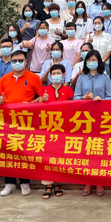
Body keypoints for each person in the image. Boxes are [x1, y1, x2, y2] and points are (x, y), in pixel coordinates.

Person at [0, 50, 43, 197]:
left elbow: (42, 97)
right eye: (14, 60)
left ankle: (24, 182)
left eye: (20, 60)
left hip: (25, 121)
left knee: (24, 152)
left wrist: (31, 104)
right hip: (7, 121)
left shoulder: (34, 77)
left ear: (26, 62)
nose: (17, 63)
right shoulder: (4, 79)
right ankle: (9, 183)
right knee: (8, 151)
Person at [73, 50, 111, 197]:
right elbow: (75, 97)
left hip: (101, 118)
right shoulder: (82, 78)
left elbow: (110, 97)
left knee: (99, 150)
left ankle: (99, 181)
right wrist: (83, 98)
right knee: (87, 150)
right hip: (85, 118)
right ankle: (88, 181)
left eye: (94, 60)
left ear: (99, 62)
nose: (91, 62)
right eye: (89, 60)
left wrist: (100, 100)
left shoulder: (105, 77)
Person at [39, 63, 73, 200]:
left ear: (63, 75)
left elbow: (73, 106)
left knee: (59, 156)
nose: (56, 76)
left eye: (58, 73)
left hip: (63, 128)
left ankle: (58, 183)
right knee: (47, 156)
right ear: (50, 76)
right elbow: (37, 108)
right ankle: (48, 185)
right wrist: (43, 100)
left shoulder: (68, 90)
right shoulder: (44, 89)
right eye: (53, 74)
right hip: (47, 127)